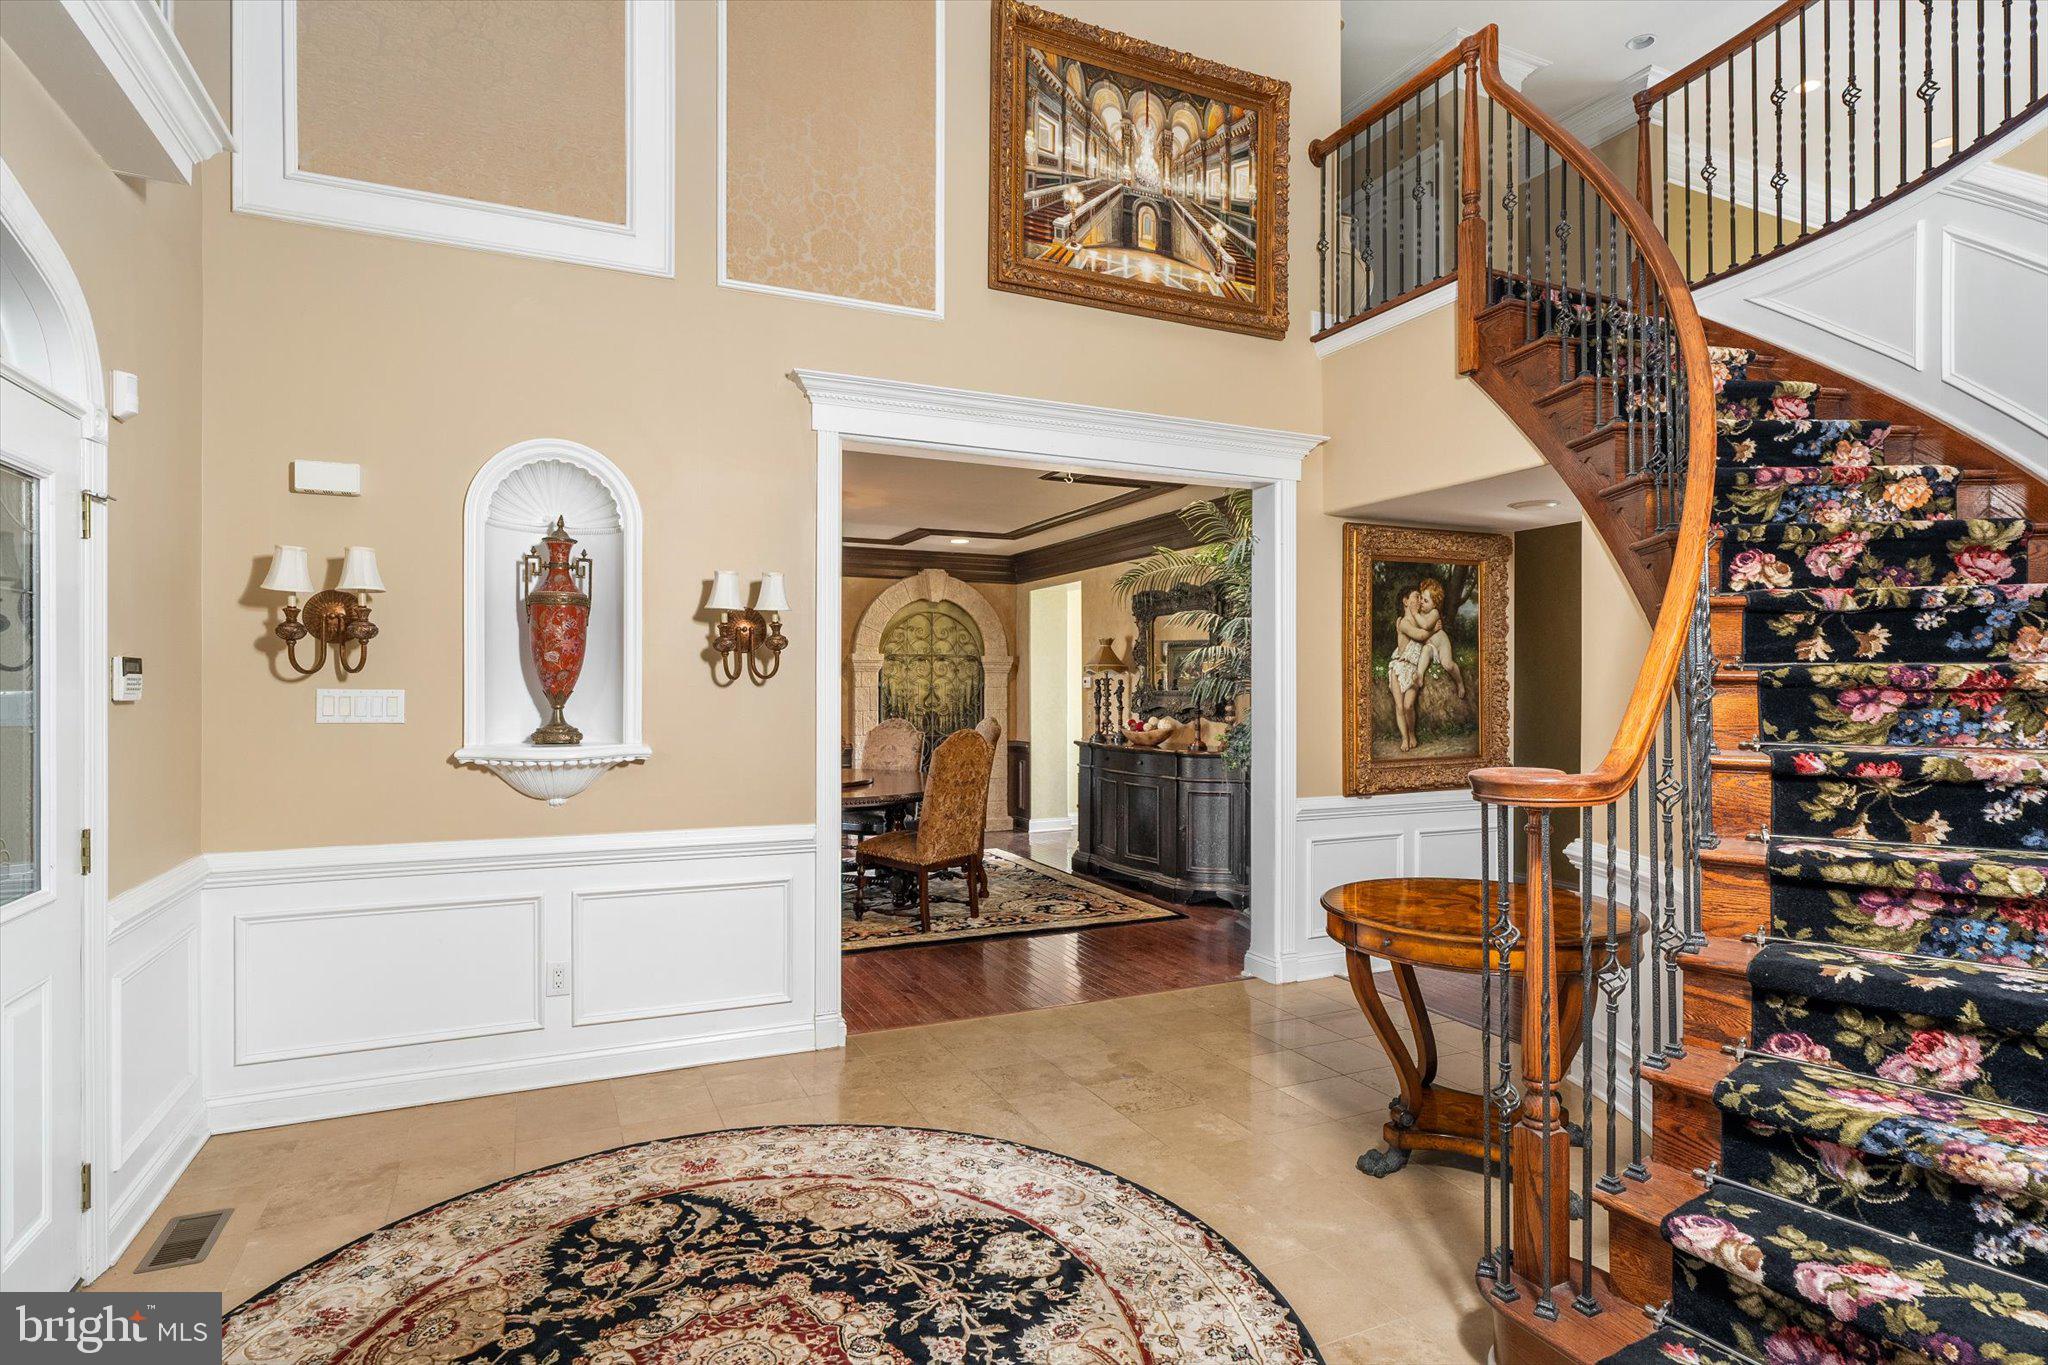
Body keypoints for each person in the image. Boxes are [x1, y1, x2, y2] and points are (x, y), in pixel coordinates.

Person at [1386, 578, 1465, 752]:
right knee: (1399, 706)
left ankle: (1412, 732)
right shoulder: (1403, 622)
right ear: (1406, 601)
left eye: (1421, 598)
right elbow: (1421, 635)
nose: (1419, 601)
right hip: (1398, 665)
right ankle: (1405, 738)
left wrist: (1430, 627)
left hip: (1413, 666)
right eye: (1417, 597)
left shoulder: (1423, 616)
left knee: (1408, 706)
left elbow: (1424, 630)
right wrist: (1433, 629)